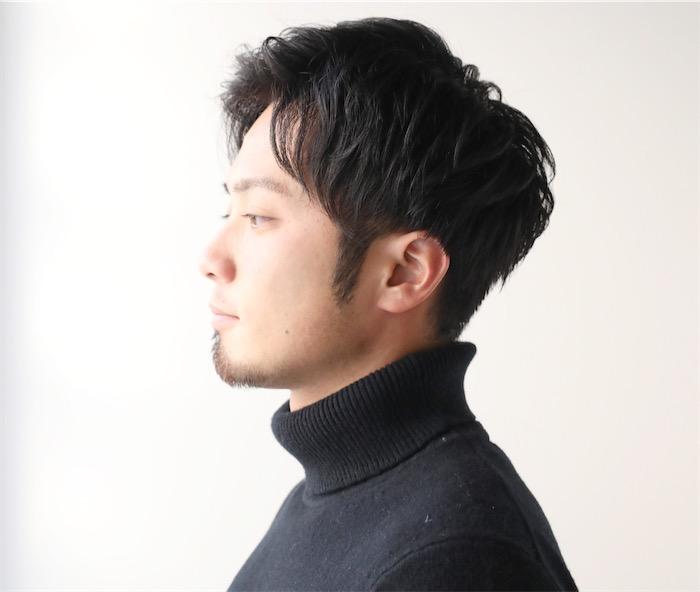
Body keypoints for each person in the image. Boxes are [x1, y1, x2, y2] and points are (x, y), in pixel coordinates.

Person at [199, 16, 578, 591]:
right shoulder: (340, 495)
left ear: (405, 273)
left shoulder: (455, 557)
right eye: (229, 210)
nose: (211, 259)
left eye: (258, 217)